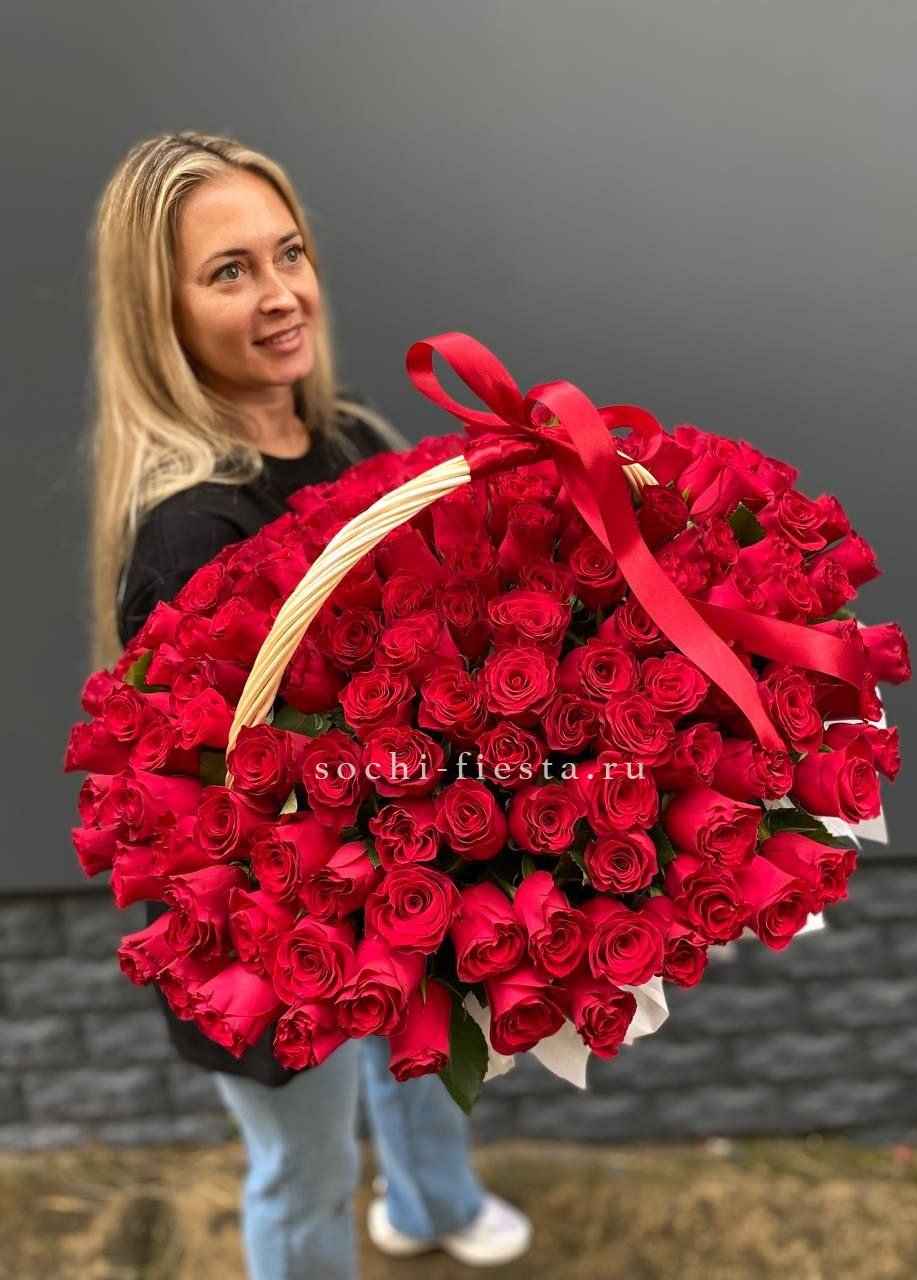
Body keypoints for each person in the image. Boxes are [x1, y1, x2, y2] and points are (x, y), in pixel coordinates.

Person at [84, 131, 532, 1280]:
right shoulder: (193, 531)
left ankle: (431, 1203)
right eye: (229, 272)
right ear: (161, 312)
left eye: (288, 253)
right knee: (306, 1163)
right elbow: (219, 797)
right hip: (271, 906)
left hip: (392, 854)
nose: (281, 293)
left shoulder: (350, 435)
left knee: (420, 1054)